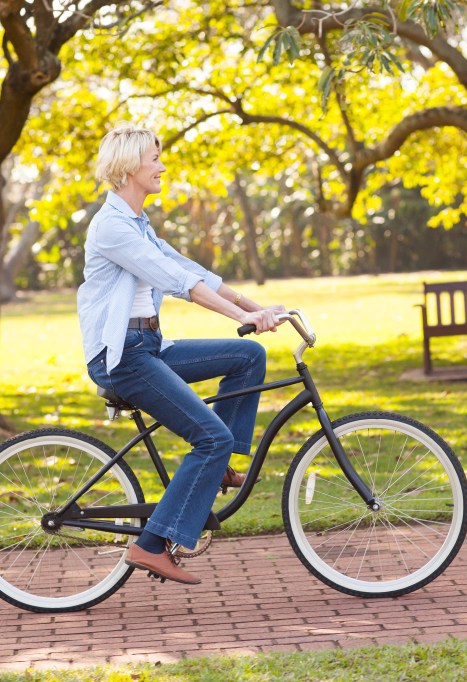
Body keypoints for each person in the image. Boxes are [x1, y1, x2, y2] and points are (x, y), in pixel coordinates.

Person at [78, 124, 285, 585]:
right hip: (123, 357)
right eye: (155, 158)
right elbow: (178, 283)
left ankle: (220, 468)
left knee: (247, 358)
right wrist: (243, 316)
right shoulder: (112, 226)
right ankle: (151, 546)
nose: (162, 166)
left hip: (149, 347)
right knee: (210, 437)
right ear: (131, 165)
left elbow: (193, 271)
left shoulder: (138, 223)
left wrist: (258, 309)